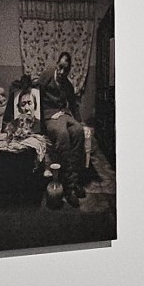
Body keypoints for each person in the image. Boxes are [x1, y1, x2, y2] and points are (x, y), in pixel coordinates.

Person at [38, 50, 87, 207]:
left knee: (78, 131)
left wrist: (80, 121)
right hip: (49, 116)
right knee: (62, 134)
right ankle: (69, 188)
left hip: (63, 114)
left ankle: (74, 180)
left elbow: (73, 104)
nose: (62, 72)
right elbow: (34, 96)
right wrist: (38, 123)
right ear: (56, 64)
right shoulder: (46, 76)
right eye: (60, 67)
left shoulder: (67, 84)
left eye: (66, 69)